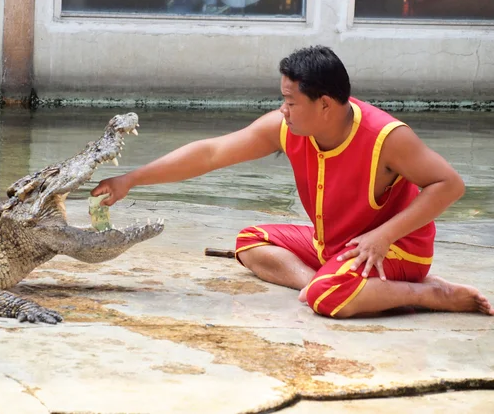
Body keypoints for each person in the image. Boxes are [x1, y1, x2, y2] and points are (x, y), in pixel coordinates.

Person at [91, 45, 494, 319]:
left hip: (394, 249)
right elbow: (212, 153)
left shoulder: (387, 137)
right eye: (282, 100)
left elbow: (449, 184)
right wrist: (132, 179)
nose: (282, 110)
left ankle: (432, 294)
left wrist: (385, 235)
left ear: (324, 105)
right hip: (333, 245)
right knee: (249, 243)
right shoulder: (288, 127)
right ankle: (319, 282)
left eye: (290, 101)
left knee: (330, 299)